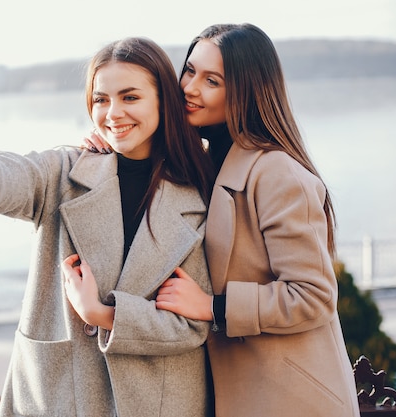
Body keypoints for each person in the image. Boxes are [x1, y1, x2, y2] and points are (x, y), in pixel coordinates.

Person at [0, 37, 215, 417]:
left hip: (161, 401)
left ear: (163, 100)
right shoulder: (64, 172)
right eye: (101, 100)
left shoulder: (199, 189)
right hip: (61, 395)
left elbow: (190, 327)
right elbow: (7, 176)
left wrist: (105, 315)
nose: (113, 113)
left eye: (130, 98)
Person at [86, 23, 360, 417]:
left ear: (245, 92)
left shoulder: (277, 172)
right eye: (189, 70)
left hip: (290, 397)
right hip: (231, 392)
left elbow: (314, 296)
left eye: (211, 80)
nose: (190, 88)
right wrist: (108, 142)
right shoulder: (201, 160)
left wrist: (214, 307)